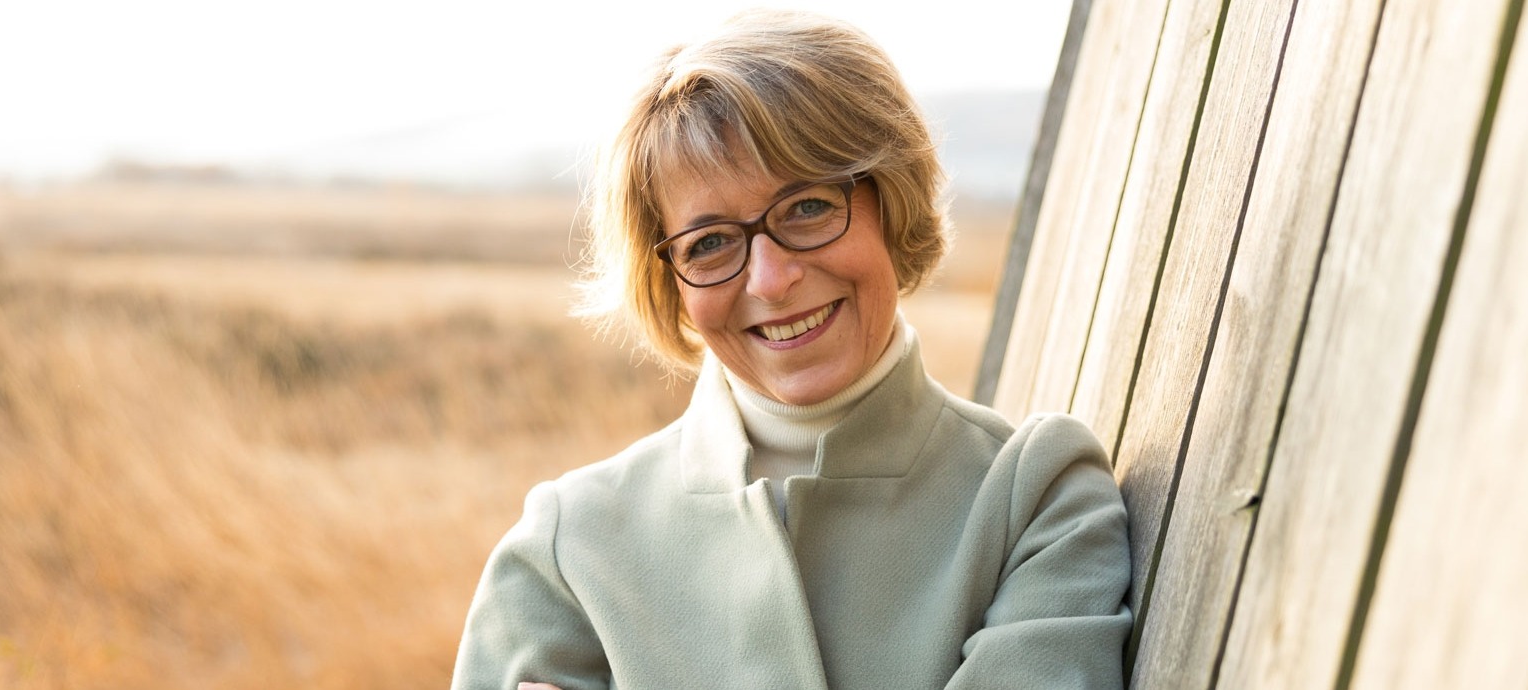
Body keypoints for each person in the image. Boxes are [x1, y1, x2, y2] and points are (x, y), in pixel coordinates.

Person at [451, 10, 1131, 690]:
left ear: (891, 200)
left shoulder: (1037, 501)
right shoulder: (566, 555)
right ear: (671, 283)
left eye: (806, 206)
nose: (771, 281)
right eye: (710, 243)